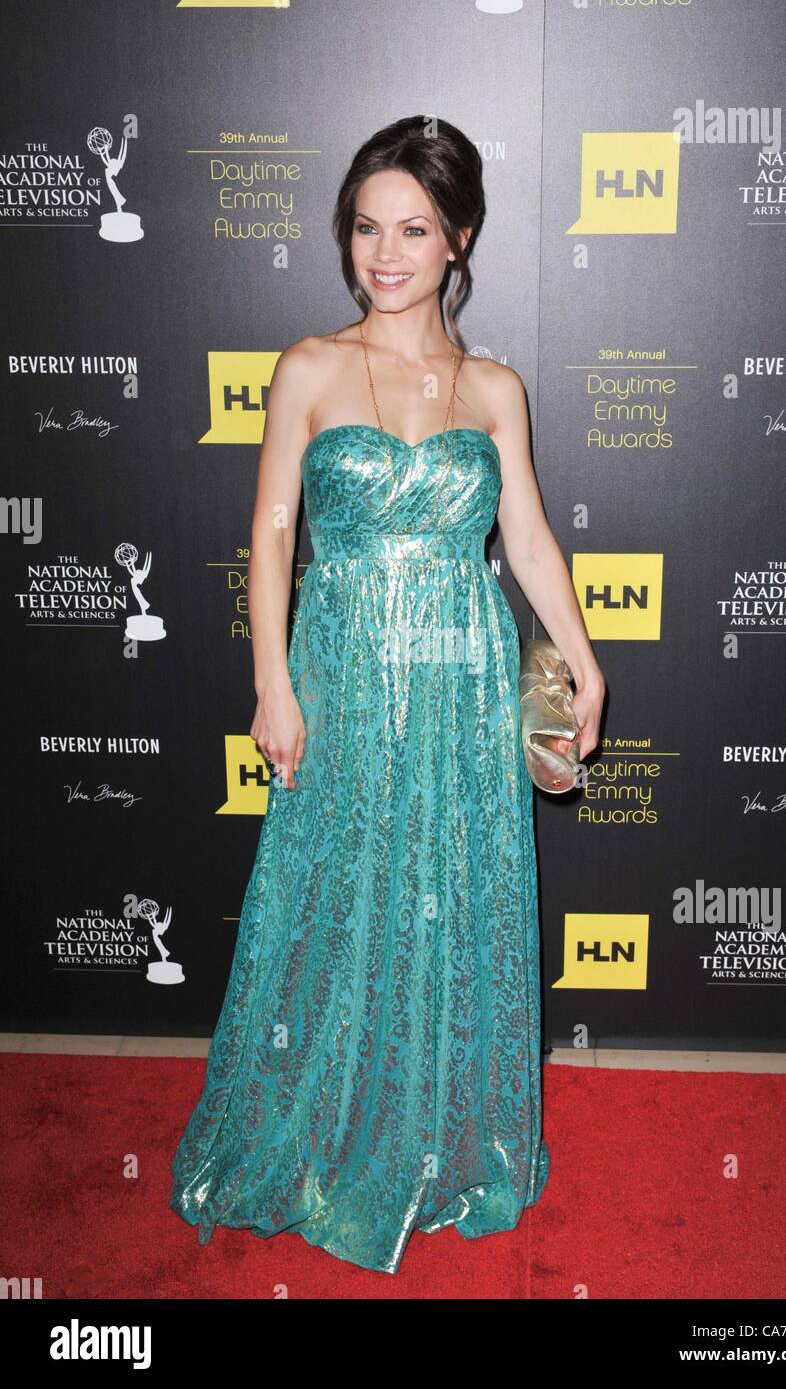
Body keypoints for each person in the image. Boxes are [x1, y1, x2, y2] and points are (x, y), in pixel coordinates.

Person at [169, 115, 605, 1275]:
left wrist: (582, 651)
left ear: (459, 238)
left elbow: (526, 535)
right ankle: (311, 1138)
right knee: (334, 895)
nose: (386, 252)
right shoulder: (309, 366)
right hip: (346, 673)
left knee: (450, 897)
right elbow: (272, 536)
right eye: (366, 228)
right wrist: (272, 681)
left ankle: (437, 1140)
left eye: (413, 228)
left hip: (463, 682)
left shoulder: (495, 387)